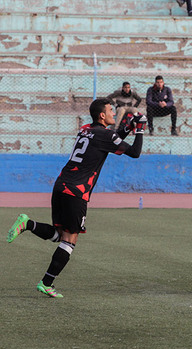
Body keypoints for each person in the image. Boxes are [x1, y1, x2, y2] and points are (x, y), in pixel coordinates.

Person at [6, 98, 146, 298]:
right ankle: (46, 282)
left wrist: (127, 126)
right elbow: (134, 152)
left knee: (59, 234)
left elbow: (111, 139)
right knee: (69, 240)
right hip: (77, 192)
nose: (113, 114)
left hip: (61, 185)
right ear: (102, 115)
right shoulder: (105, 134)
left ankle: (28, 224)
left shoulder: (86, 129)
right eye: (110, 111)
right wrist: (139, 129)